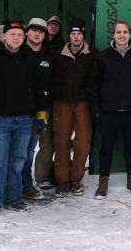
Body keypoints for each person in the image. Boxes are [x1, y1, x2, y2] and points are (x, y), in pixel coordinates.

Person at [0, 20, 47, 217]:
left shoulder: (29, 59)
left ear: (24, 37)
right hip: (0, 120)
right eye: (12, 34)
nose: (16, 38)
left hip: (25, 120)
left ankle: (13, 199)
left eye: (19, 34)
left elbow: (39, 90)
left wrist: (41, 115)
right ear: (4, 36)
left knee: (17, 162)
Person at [88, 20, 131, 199]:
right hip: (108, 112)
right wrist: (97, 109)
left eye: (125, 32)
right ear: (113, 35)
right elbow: (93, 84)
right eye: (118, 32)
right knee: (106, 147)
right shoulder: (103, 57)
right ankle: (103, 181)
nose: (122, 35)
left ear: (130, 35)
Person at [51, 19, 97, 197]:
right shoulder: (59, 54)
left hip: (83, 102)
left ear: (83, 35)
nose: (76, 37)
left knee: (83, 141)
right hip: (62, 102)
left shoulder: (92, 54)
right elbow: (53, 78)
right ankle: (62, 180)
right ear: (69, 36)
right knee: (61, 140)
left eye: (79, 34)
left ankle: (76, 179)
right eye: (72, 33)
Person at [21, 17, 55, 200]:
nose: (37, 33)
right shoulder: (18, 52)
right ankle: (14, 184)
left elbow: (53, 83)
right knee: (17, 151)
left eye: (41, 31)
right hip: (19, 110)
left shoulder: (48, 56)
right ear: (27, 32)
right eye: (34, 30)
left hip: (40, 110)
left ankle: (26, 185)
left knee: (30, 149)